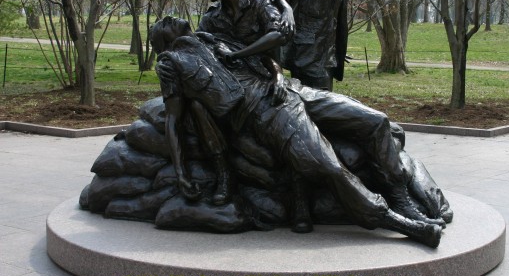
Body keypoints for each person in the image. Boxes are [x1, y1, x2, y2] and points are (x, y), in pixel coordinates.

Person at [151, 15, 444, 248]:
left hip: (292, 90)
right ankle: (402, 224)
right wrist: (181, 173)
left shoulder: (211, 40)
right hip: (269, 111)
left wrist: (278, 76)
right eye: (166, 22)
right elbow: (174, 121)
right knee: (329, 166)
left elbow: (264, 58)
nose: (173, 18)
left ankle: (402, 197)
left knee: (376, 121)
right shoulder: (172, 65)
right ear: (165, 39)